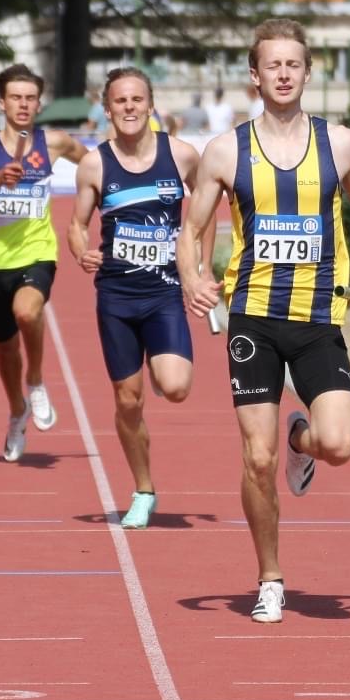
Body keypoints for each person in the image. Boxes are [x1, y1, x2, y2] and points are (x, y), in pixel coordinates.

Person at [177, 18, 350, 624]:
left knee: (339, 446)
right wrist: (194, 277)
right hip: (254, 321)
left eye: (293, 64)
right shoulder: (226, 150)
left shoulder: (340, 144)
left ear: (307, 72)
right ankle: (270, 577)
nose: (284, 74)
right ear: (255, 75)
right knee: (257, 460)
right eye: (273, 65)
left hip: (320, 316)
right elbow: (191, 232)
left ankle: (304, 440)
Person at [67, 67, 215, 528]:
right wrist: (81, 252)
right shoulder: (95, 164)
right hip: (116, 294)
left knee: (175, 387)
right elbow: (75, 224)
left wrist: (201, 266)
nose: (129, 108)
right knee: (128, 402)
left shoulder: (183, 156)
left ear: (150, 105)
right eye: (120, 101)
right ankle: (143, 489)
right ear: (107, 108)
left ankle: (159, 363)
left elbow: (208, 211)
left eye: (136, 100)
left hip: (165, 291)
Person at [0, 63, 87, 462]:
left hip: (38, 251)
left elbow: (100, 167)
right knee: (4, 346)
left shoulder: (56, 143)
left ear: (39, 103)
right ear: (2, 102)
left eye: (30, 98)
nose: (24, 104)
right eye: (16, 97)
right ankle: (17, 410)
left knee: (28, 313)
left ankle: (37, 382)